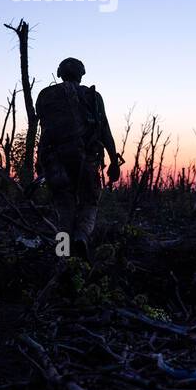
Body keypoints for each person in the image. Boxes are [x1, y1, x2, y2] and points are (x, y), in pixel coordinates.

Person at [34, 57, 121, 260]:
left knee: (63, 208)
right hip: (86, 161)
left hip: (55, 161)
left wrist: (40, 161)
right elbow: (104, 130)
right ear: (81, 75)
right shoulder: (93, 96)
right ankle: (81, 238)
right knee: (89, 202)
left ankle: (62, 254)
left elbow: (44, 131)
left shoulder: (45, 95)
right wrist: (114, 161)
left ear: (60, 74)